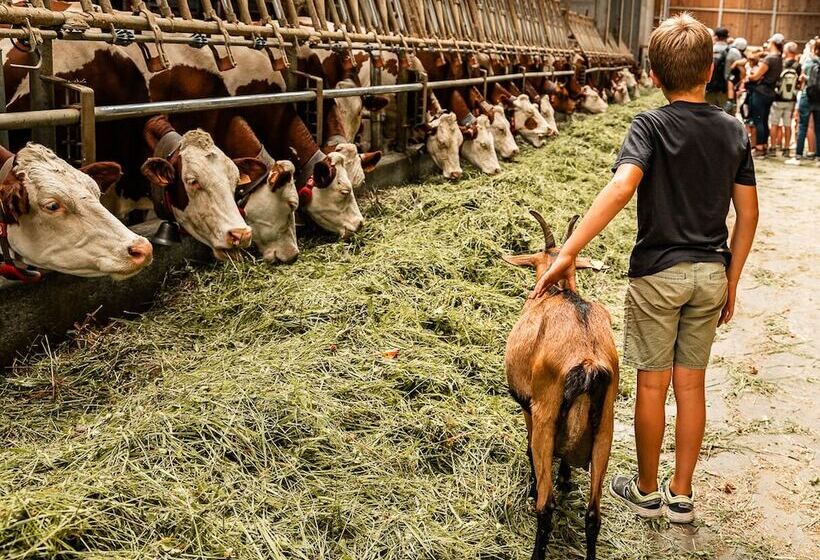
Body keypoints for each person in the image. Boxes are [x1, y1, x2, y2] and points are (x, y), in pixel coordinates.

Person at [531, 14, 758, 524]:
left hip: (658, 273)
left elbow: (622, 186)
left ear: (654, 76)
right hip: (710, 273)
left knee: (653, 385)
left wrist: (568, 250)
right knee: (692, 385)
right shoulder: (732, 130)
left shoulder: (649, 125)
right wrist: (733, 276)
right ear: (709, 71)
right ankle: (683, 495)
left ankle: (647, 489)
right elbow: (748, 213)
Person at [746, 35, 784, 157]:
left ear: (773, 43)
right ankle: (764, 146)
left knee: (758, 120)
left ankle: (759, 147)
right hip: (770, 92)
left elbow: (755, 77)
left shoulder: (769, 59)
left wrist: (749, 76)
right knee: (764, 119)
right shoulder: (779, 58)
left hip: (760, 92)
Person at [785, 38, 820, 165]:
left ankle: (798, 156)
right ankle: (818, 156)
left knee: (802, 126)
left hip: (807, 95)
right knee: (818, 127)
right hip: (819, 98)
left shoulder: (809, 61)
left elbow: (802, 79)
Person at [769, 41, 801, 157]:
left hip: (778, 97)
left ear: (786, 51)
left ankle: (772, 148)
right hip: (791, 99)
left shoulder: (781, 63)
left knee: (774, 123)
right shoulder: (798, 65)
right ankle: (786, 148)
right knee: (788, 124)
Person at [705, 27, 742, 110]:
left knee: (708, 118)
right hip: (726, 91)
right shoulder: (733, 52)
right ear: (727, 37)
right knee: (727, 117)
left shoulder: (707, 50)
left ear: (716, 37)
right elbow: (742, 71)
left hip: (709, 88)